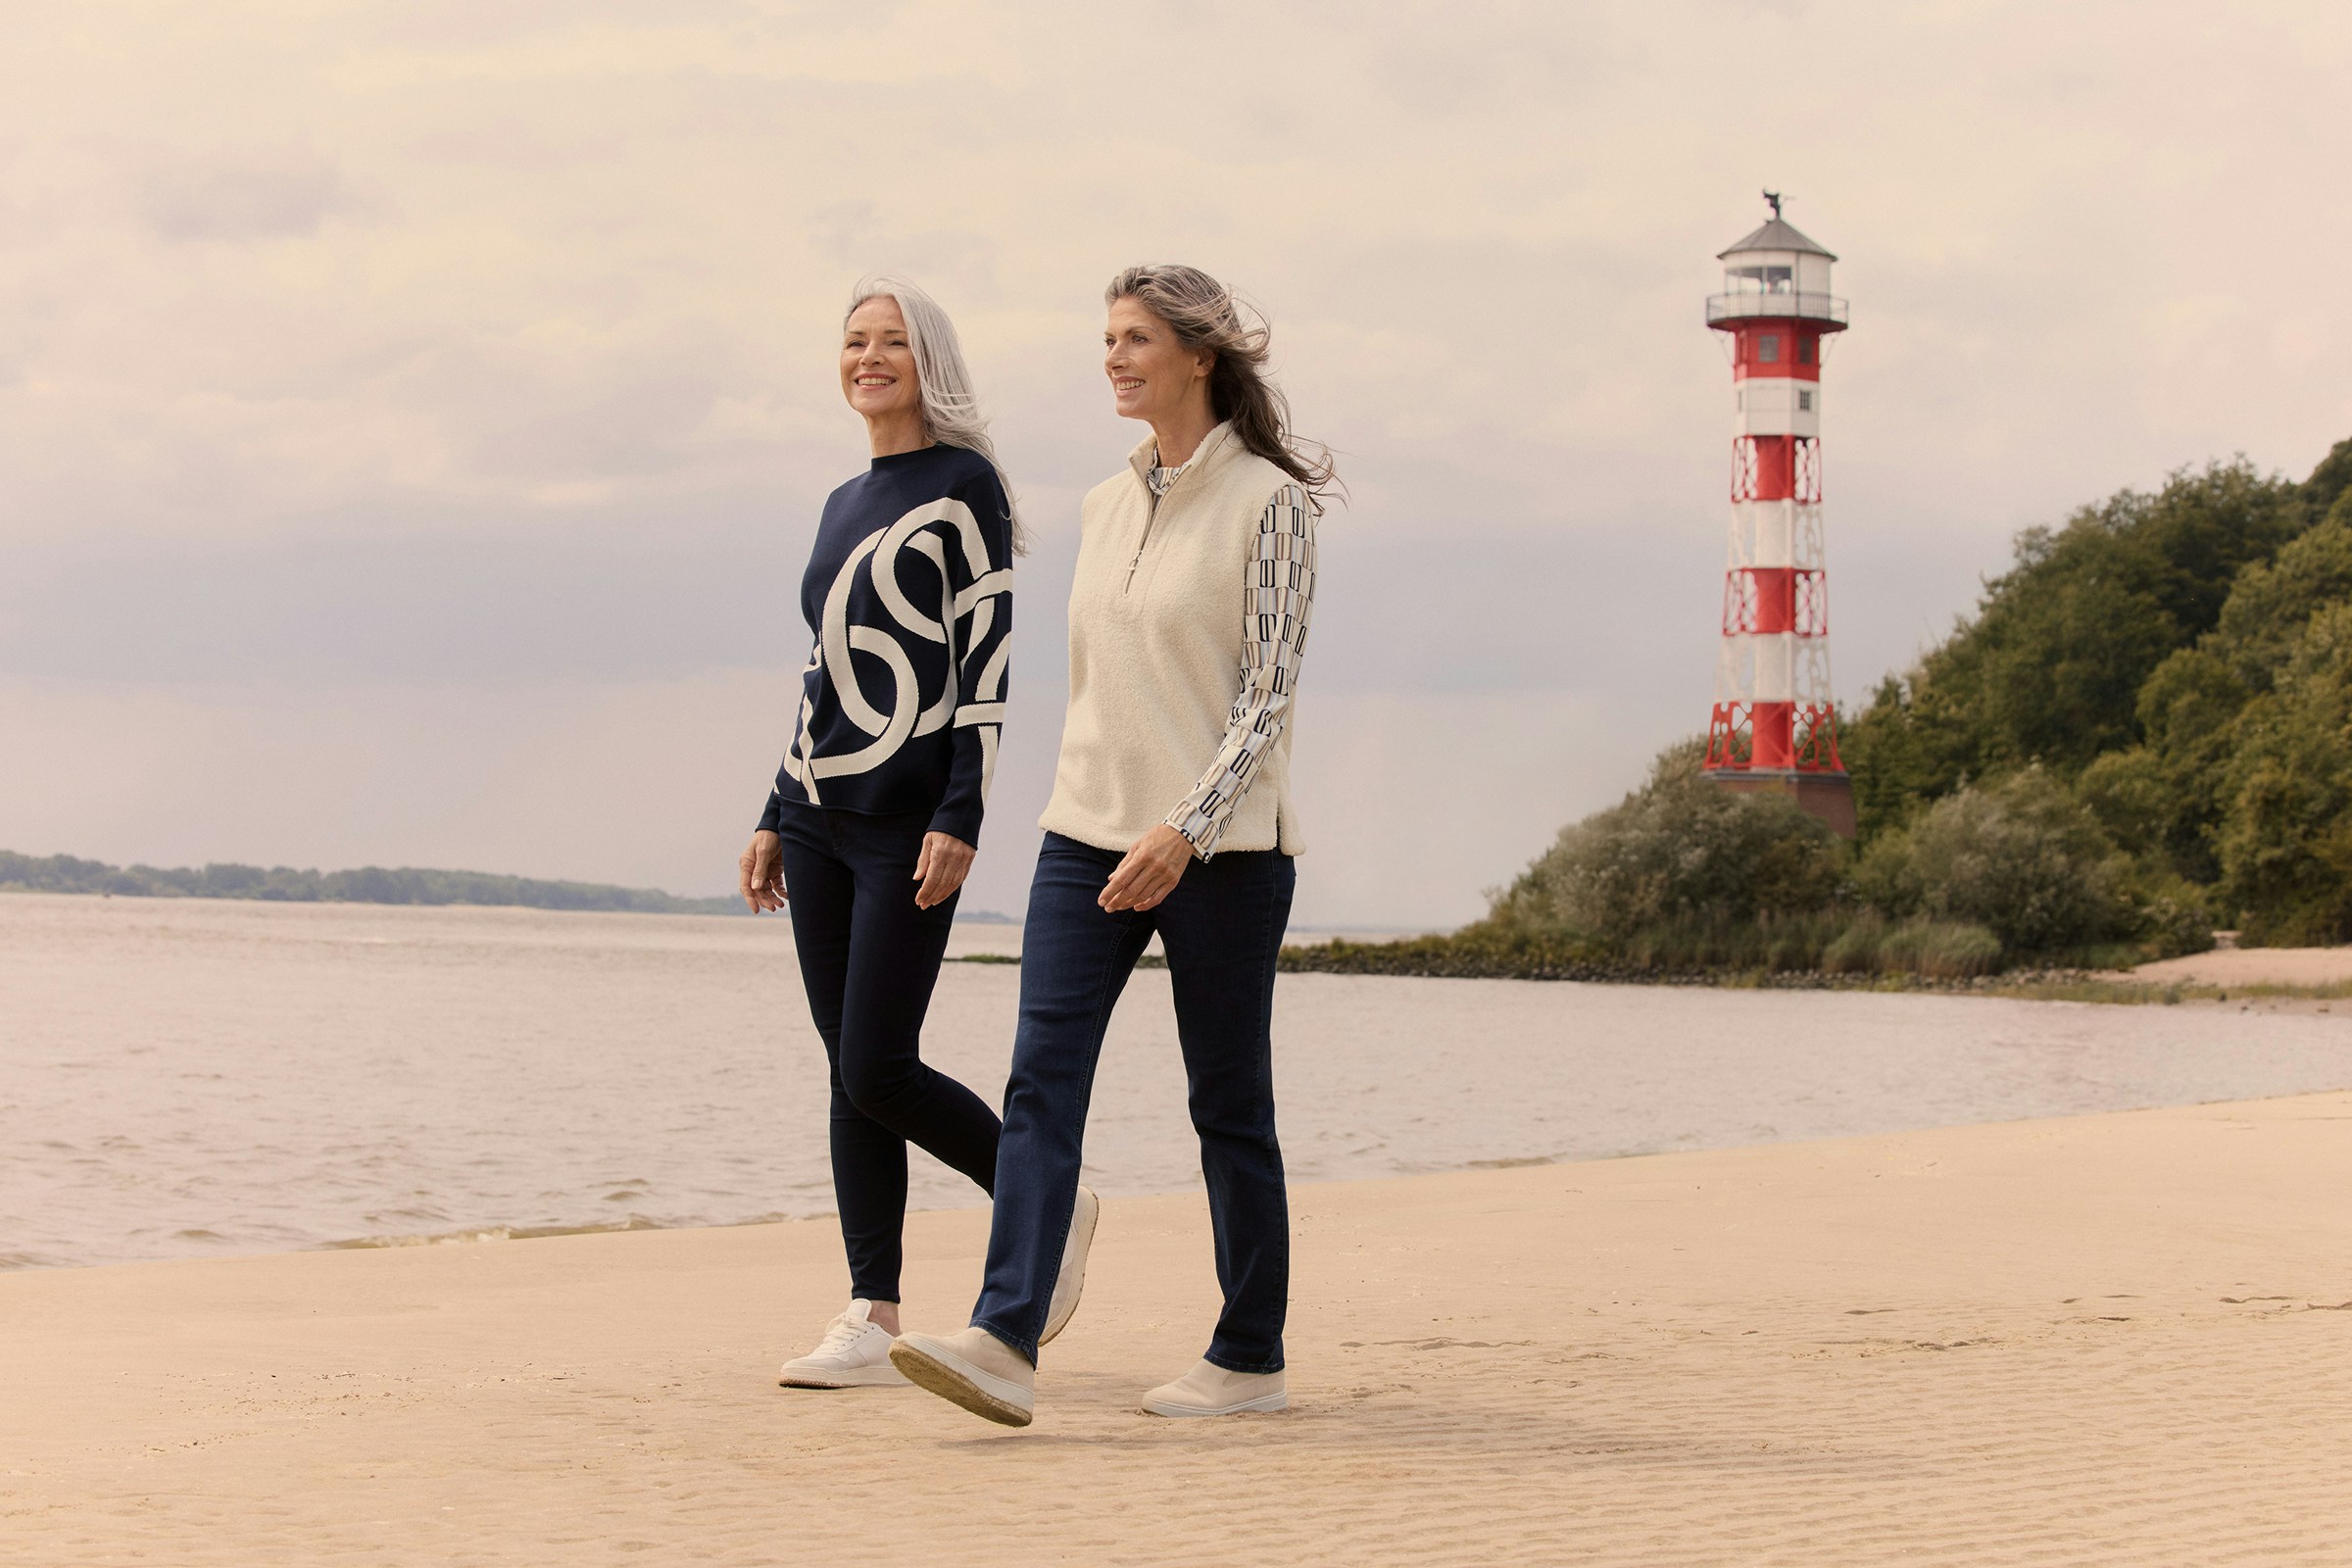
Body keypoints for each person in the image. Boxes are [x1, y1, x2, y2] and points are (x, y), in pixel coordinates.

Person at [891, 265, 1329, 1425]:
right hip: (1082, 839)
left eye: (1136, 339)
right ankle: (1004, 1336)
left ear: (1200, 355)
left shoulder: (1272, 504)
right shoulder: (1097, 504)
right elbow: (1096, 690)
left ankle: (1250, 1356)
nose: (1115, 358)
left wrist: (1185, 831)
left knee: (1227, 1103)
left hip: (1224, 853)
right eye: (1107, 339)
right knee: (1041, 1084)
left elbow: (1266, 699)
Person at [741, 275, 1084, 1389]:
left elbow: (986, 657)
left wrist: (961, 810)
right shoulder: (844, 498)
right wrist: (769, 811)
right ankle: (872, 1314)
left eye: (891, 342)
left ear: (928, 359)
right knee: (848, 1071)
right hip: (816, 816)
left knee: (878, 1065)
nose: (868, 358)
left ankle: (1046, 1197)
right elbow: (822, 671)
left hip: (905, 824)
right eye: (854, 341)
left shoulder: (965, 485)